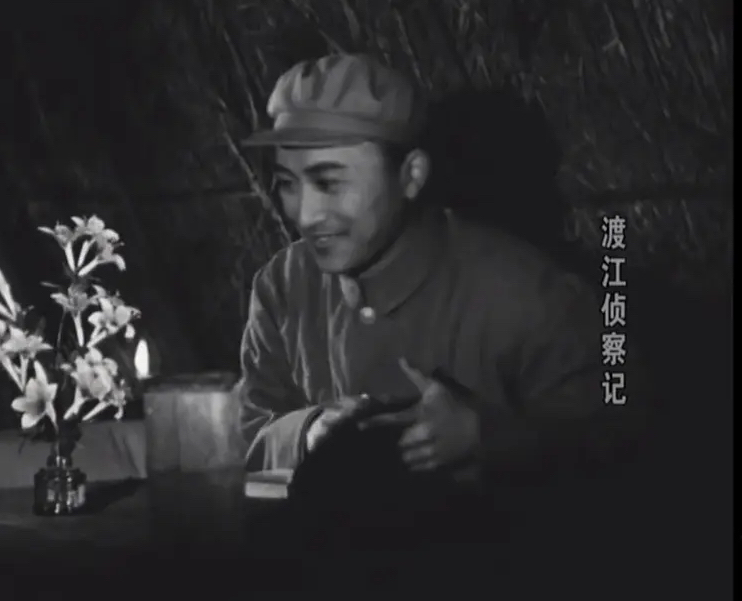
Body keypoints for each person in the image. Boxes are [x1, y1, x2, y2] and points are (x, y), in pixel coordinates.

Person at [237, 53, 635, 484]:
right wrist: (308, 434)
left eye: (329, 183)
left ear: (411, 175)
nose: (306, 214)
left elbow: (622, 443)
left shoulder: (526, 293)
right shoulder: (283, 287)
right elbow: (244, 449)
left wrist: (487, 437)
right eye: (288, 184)